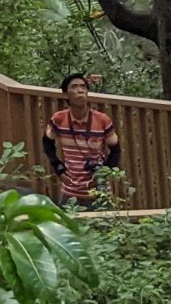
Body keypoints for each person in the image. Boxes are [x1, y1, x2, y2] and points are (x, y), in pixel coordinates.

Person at [44, 73, 122, 207]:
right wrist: (58, 168)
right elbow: (47, 142)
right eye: (74, 87)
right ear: (65, 94)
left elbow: (116, 149)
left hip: (99, 191)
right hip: (70, 190)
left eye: (83, 87)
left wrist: (103, 173)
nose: (80, 90)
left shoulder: (102, 120)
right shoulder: (59, 119)